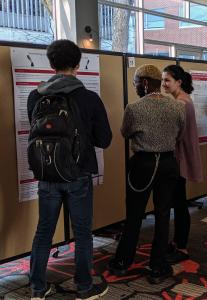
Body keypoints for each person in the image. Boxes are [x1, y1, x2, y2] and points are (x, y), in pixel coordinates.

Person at [27, 40, 112, 300]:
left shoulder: (35, 95)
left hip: (47, 175)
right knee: (83, 233)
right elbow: (104, 140)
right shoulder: (88, 97)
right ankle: (84, 288)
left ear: (51, 64)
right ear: (78, 64)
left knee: (43, 232)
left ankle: (38, 289)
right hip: (78, 174)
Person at [108, 64, 185, 284]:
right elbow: (180, 133)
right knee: (163, 215)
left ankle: (123, 262)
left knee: (134, 214)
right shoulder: (177, 107)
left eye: (135, 84)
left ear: (143, 83)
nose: (134, 89)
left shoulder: (134, 108)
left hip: (143, 164)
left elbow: (125, 132)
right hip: (169, 163)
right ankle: (157, 266)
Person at [161, 65, 203, 264]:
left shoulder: (181, 103)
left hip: (179, 159)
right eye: (162, 80)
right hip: (181, 157)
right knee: (179, 202)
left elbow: (177, 135)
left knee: (179, 203)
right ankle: (178, 241)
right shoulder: (182, 100)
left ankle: (182, 246)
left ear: (179, 81)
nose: (164, 84)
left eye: (167, 80)